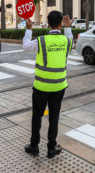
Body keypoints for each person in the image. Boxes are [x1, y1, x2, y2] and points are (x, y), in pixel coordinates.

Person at [23, 11, 73, 159]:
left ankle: (34, 146)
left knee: (37, 116)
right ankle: (51, 148)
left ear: (48, 23)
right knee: (54, 117)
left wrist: (29, 29)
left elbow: (25, 46)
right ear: (61, 24)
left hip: (41, 87)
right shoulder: (67, 41)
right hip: (59, 86)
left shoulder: (42, 41)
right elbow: (70, 37)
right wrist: (68, 27)